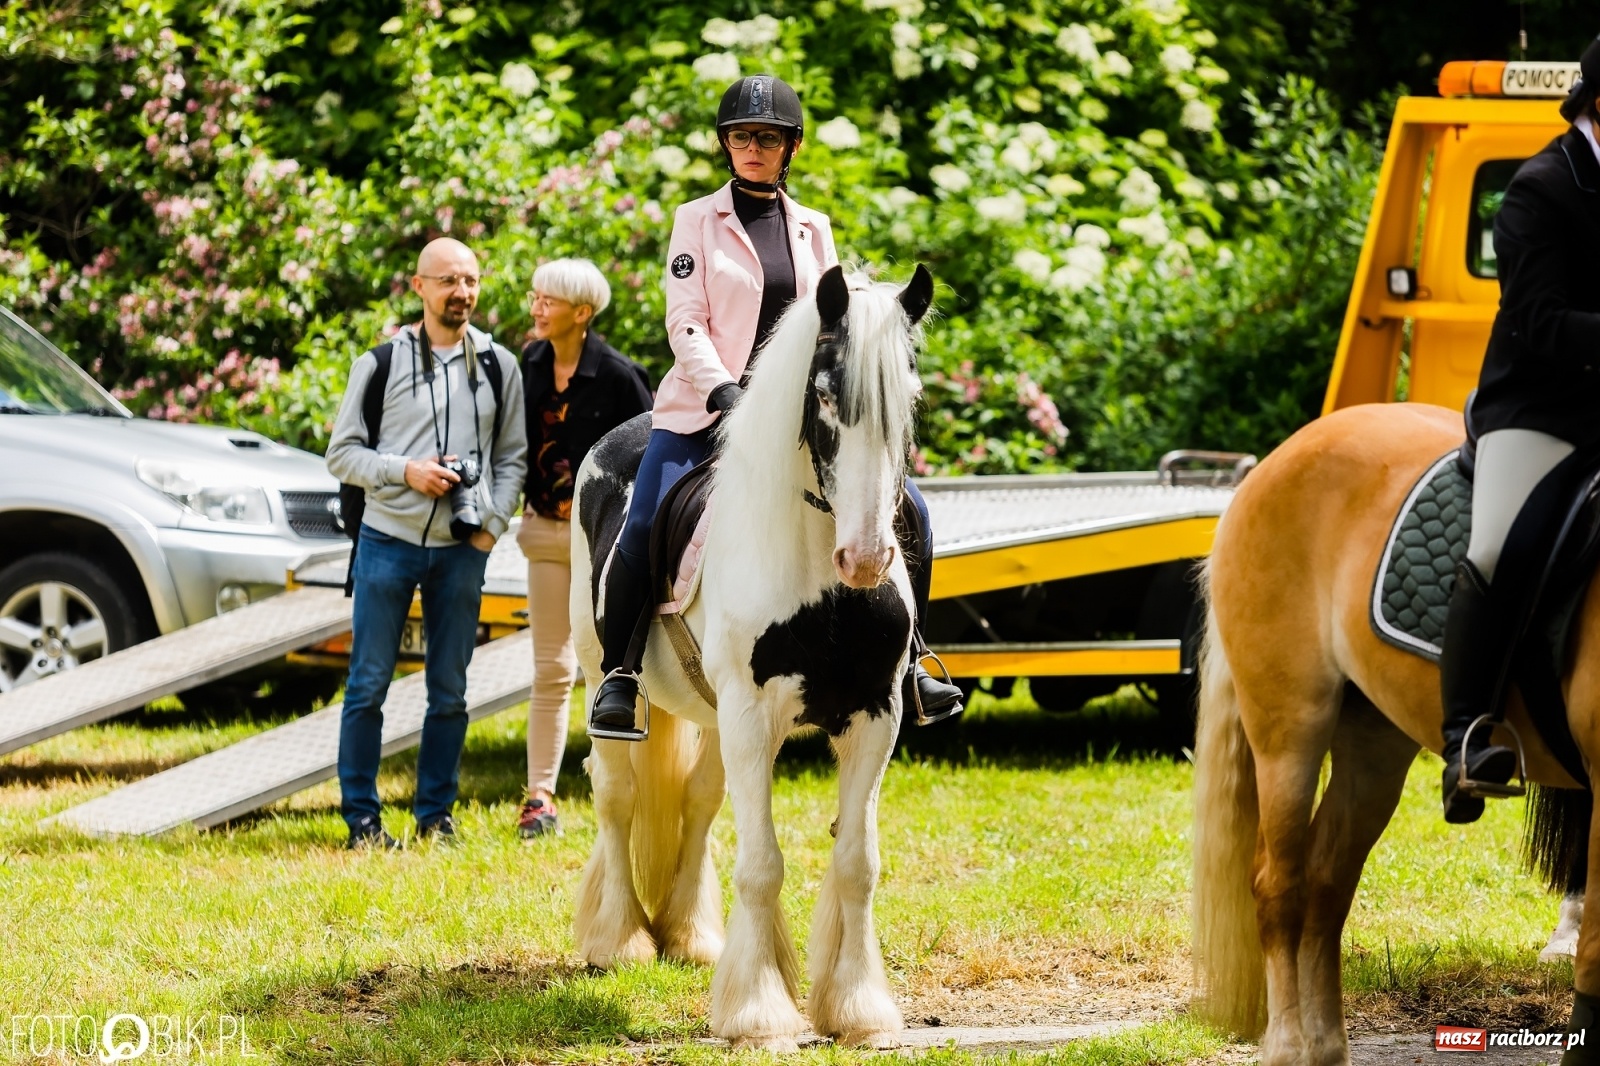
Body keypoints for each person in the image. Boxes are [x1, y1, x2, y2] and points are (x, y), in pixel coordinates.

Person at [586, 74, 965, 739]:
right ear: (725, 146)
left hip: (795, 421)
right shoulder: (695, 221)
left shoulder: (814, 228)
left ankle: (914, 659)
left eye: (766, 137)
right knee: (643, 520)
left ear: (790, 147)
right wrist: (725, 391)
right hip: (705, 412)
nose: (752, 147)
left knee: (914, 511)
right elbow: (686, 322)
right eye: (740, 137)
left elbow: (829, 322)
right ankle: (620, 677)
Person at [1438, 34, 1600, 824]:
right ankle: (1464, 736)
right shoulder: (1539, 190)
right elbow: (1538, 322)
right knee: (1502, 542)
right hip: (1538, 410)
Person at [326, 237, 528, 848]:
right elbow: (341, 455)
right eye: (447, 281)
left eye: (469, 281)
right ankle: (362, 821)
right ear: (419, 287)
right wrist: (405, 471)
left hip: (462, 549)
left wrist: (491, 527)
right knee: (367, 685)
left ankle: (435, 817)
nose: (460, 293)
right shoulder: (379, 363)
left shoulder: (500, 365)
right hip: (387, 539)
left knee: (451, 691)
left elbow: (512, 460)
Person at [514, 258, 652, 838]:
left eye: (549, 300)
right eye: (535, 296)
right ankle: (539, 797)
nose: (537, 308)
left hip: (607, 545)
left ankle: (638, 788)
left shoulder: (621, 376)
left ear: (582, 313)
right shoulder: (529, 365)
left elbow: (648, 455)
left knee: (625, 668)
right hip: (547, 535)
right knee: (550, 669)